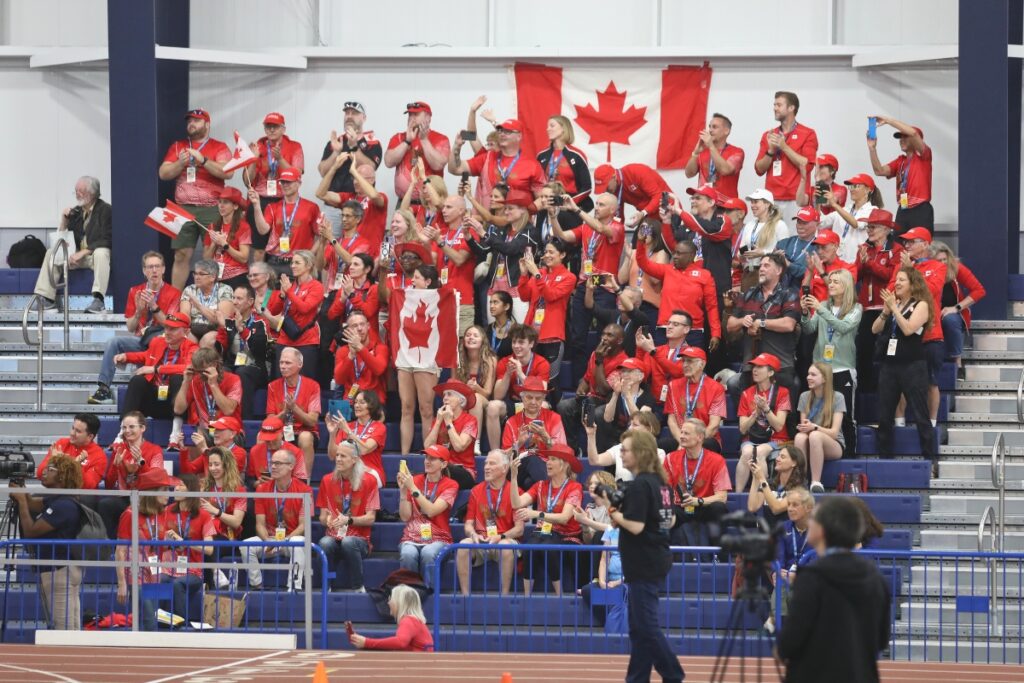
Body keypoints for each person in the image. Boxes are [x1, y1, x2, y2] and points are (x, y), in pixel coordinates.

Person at [591, 429, 684, 683]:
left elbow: (635, 526)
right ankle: (637, 678)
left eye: (625, 450)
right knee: (638, 628)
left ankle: (673, 674)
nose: (621, 453)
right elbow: (670, 520)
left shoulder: (642, 485)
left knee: (646, 627)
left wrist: (612, 510)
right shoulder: (661, 483)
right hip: (654, 559)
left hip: (644, 562)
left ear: (641, 453)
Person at [777, 496, 890, 683]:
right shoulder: (875, 579)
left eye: (813, 518)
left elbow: (789, 642)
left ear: (821, 530)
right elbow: (882, 639)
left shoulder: (812, 578)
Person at [88, 251, 181, 406]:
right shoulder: (135, 291)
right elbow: (131, 327)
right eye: (150, 267)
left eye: (157, 266)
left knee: (157, 342)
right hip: (141, 340)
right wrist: (138, 312)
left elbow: (170, 325)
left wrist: (154, 306)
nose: (154, 271)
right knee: (113, 342)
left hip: (163, 342)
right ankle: (103, 389)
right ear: (144, 271)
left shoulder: (174, 293)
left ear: (164, 269)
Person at [552, 192, 625, 382]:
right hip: (586, 283)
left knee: (606, 338)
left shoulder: (617, 227)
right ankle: (579, 382)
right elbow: (563, 235)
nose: (597, 207)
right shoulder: (586, 227)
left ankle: (602, 381)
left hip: (605, 286)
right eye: (597, 204)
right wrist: (553, 216)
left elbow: (602, 228)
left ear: (612, 209)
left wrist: (576, 209)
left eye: (601, 205)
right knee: (577, 337)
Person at [158, 108, 234, 290]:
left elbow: (228, 172)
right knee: (181, 254)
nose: (191, 124)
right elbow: (163, 173)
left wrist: (204, 161)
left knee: (210, 255)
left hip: (212, 208)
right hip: (182, 208)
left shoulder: (220, 146)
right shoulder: (178, 146)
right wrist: (180, 163)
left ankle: (208, 297)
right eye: (189, 121)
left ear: (207, 125)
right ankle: (175, 299)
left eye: (196, 121)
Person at [873, 267, 938, 475]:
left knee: (920, 413)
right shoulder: (894, 305)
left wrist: (895, 308)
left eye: (902, 280)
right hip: (889, 365)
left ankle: (930, 461)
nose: (897, 283)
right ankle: (885, 460)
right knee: (884, 415)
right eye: (897, 280)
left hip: (913, 365)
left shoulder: (922, 305)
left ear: (913, 283)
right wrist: (886, 311)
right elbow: (875, 329)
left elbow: (909, 329)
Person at [10, 456, 84, 630]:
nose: (44, 471)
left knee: (63, 628)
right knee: (71, 627)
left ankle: (67, 657)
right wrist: (24, 493)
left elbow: (30, 532)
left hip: (58, 570)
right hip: (63, 568)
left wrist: (21, 501)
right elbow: (34, 505)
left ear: (62, 476)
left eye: (51, 469)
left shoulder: (63, 504)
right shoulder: (60, 499)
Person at [801, 268, 862, 455]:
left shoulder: (855, 308)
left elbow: (843, 327)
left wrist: (820, 309)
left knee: (846, 416)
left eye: (836, 282)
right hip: (821, 369)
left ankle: (850, 455)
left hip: (843, 368)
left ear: (846, 286)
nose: (831, 284)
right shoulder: (824, 305)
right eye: (831, 281)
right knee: (818, 413)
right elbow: (809, 329)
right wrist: (805, 313)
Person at [510, 444, 584, 597]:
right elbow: (516, 503)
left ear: (564, 465)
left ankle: (559, 595)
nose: (547, 463)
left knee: (549, 547)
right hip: (544, 532)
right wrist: (513, 477)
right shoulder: (541, 485)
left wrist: (536, 514)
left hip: (566, 534)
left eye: (553, 459)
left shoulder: (574, 487)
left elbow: (564, 518)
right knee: (530, 547)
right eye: (548, 459)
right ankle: (526, 597)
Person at [726, 254, 801, 401]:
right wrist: (743, 321)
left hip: (780, 366)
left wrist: (761, 323)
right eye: (761, 266)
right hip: (751, 366)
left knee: (793, 387)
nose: (761, 269)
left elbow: (788, 324)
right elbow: (730, 324)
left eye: (767, 266)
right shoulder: (748, 294)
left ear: (779, 270)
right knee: (733, 384)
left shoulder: (789, 294)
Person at [114, 468, 182, 631]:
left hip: (155, 573)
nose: (168, 494)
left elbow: (157, 544)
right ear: (151, 492)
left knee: (149, 618)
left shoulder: (162, 514)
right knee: (148, 618)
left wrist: (173, 542)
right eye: (164, 490)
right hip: (135, 574)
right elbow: (120, 550)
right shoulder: (130, 514)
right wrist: (121, 582)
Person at [892, 227, 946, 426]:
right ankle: (899, 422)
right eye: (906, 242)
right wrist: (906, 271)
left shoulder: (937, 266)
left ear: (925, 244)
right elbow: (892, 292)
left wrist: (911, 272)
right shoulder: (902, 268)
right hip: (906, 335)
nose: (907, 245)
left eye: (912, 241)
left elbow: (930, 291)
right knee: (901, 382)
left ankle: (931, 423)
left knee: (932, 382)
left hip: (931, 335)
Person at [35, 175, 111, 313]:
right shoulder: (76, 212)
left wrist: (83, 252)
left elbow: (108, 238)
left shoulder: (106, 210)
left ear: (92, 193)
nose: (77, 194)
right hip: (76, 258)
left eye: (80, 191)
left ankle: (98, 300)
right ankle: (46, 299)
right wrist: (64, 220)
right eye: (75, 191)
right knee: (51, 252)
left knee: (101, 252)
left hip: (93, 258)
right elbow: (61, 239)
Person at [240, 448, 312, 592]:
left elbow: (304, 525)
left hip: (291, 539)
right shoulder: (262, 489)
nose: (273, 467)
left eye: (278, 463)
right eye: (272, 463)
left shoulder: (305, 490)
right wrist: (268, 540)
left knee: (297, 543)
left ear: (291, 466)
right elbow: (260, 524)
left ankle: (294, 587)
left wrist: (284, 541)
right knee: (246, 545)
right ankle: (257, 585)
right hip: (270, 539)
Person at [456, 450, 524, 595]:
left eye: (492, 463)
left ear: (505, 468)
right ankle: (465, 597)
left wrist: (500, 537)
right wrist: (473, 534)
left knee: (505, 547)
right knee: (463, 545)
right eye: (486, 463)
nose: (486, 467)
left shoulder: (516, 491)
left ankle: (504, 596)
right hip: (482, 539)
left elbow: (519, 529)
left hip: (505, 539)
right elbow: (468, 524)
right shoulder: (476, 490)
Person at [635, 235, 721, 351]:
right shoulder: (667, 270)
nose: (674, 256)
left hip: (692, 332)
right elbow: (643, 263)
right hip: (665, 329)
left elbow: (712, 307)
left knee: (691, 367)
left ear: (691, 255)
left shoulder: (705, 275)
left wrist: (716, 334)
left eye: (679, 253)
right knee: (661, 366)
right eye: (674, 253)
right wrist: (641, 243)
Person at [317, 434, 380, 592]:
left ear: (354, 460)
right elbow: (322, 517)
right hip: (334, 536)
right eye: (337, 455)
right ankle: (328, 584)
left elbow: (370, 518)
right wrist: (329, 520)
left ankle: (358, 586)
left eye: (343, 456)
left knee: (348, 542)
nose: (338, 459)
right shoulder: (327, 480)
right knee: (324, 543)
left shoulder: (369, 481)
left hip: (359, 540)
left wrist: (348, 520)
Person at [244, 112, 305, 261]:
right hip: (260, 201)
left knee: (281, 246)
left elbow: (296, 175)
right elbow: (247, 182)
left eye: (275, 127)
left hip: (282, 202)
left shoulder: (294, 146)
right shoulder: (257, 146)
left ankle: (282, 279)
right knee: (259, 249)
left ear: (283, 129)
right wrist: (253, 159)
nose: (271, 130)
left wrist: (280, 159)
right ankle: (259, 282)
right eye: (268, 127)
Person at [396, 445, 459, 588]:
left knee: (428, 552)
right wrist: (403, 491)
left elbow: (431, 511)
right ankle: (409, 595)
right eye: (426, 458)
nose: (427, 461)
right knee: (407, 554)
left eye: (433, 459)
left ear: (443, 464)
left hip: (439, 537)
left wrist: (412, 488)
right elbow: (405, 517)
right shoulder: (415, 480)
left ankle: (429, 593)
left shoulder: (451, 485)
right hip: (412, 536)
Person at [518, 239, 577, 384]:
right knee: (531, 379)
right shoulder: (540, 273)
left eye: (551, 252)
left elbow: (550, 296)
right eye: (546, 252)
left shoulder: (569, 277)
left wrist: (536, 275)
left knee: (550, 383)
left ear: (562, 254)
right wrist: (525, 275)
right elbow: (525, 296)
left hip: (551, 336)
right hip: (532, 335)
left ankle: (552, 407)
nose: (547, 255)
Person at [665, 418, 731, 547]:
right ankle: (664, 554)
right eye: (681, 432)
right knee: (663, 510)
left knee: (719, 508)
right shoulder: (670, 458)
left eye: (686, 433)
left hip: (703, 507)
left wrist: (698, 501)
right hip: (681, 507)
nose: (681, 436)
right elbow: (664, 490)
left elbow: (722, 497)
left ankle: (719, 555)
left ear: (700, 437)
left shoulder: (717, 460)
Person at [754, 91, 818, 225]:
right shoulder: (769, 135)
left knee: (794, 240)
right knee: (771, 243)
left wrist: (784, 147)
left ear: (791, 108)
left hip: (796, 200)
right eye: (774, 105)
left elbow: (807, 166)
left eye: (779, 105)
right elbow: (759, 169)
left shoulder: (808, 133)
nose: (775, 108)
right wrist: (770, 151)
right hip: (772, 199)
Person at [118, 313, 197, 420]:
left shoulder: (193, 348)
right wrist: (126, 356)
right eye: (166, 328)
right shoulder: (158, 341)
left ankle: (177, 428)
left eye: (173, 329)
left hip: (174, 403)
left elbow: (189, 367)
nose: (167, 332)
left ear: (186, 331)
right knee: (138, 380)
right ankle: (124, 426)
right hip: (155, 398)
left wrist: (156, 369)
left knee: (177, 378)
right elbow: (147, 355)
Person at [855, 210, 902, 392]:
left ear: (886, 229)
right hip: (867, 307)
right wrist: (862, 261)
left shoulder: (896, 250)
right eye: (868, 226)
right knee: (864, 349)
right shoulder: (864, 248)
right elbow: (856, 276)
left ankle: (887, 388)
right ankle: (866, 389)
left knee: (885, 350)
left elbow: (892, 276)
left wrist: (870, 264)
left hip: (887, 307)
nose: (869, 230)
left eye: (873, 227)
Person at [98, 412, 165, 538]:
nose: (127, 431)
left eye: (131, 427)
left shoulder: (155, 450)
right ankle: (109, 549)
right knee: (105, 505)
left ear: (142, 428)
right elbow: (109, 485)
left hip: (146, 498)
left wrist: (141, 461)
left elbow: (157, 480)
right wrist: (115, 466)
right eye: (124, 428)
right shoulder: (119, 449)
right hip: (125, 497)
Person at [450, 117, 544, 206]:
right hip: (488, 220)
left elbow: (542, 198)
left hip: (518, 222)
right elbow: (455, 169)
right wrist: (456, 147)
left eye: (507, 131)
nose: (502, 134)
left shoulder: (532, 165)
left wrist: (527, 211)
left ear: (519, 136)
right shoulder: (486, 158)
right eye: (500, 131)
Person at [486, 324, 551, 451]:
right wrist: (508, 374)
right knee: (492, 406)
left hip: (532, 402)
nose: (516, 346)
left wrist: (520, 374)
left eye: (521, 342)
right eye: (514, 342)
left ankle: (535, 448)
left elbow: (541, 392)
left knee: (543, 405)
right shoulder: (505, 362)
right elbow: (498, 395)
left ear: (531, 344)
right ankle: (496, 452)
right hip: (513, 402)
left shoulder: (541, 363)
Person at [158, 474, 214, 623]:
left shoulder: (203, 515)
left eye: (181, 485)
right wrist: (168, 541)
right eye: (175, 485)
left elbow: (209, 549)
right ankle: (153, 622)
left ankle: (180, 625)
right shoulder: (166, 511)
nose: (176, 488)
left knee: (177, 584)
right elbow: (157, 542)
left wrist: (185, 542)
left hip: (193, 571)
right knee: (157, 580)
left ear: (191, 490)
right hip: (168, 568)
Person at [556, 324, 627, 439]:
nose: (604, 338)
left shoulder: (624, 361)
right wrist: (581, 390)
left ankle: (599, 452)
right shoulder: (595, 354)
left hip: (609, 405)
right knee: (563, 406)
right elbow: (587, 378)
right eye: (603, 334)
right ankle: (573, 448)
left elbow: (604, 390)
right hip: (591, 401)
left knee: (597, 414)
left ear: (619, 341)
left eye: (610, 335)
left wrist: (599, 361)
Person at [734, 353, 792, 493]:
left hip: (777, 439)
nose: (754, 370)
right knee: (747, 452)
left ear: (771, 372)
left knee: (759, 452)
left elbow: (778, 426)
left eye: (760, 367)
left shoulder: (783, 392)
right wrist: (755, 413)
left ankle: (764, 496)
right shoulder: (747, 394)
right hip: (752, 438)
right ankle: (738, 495)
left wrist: (766, 409)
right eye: (754, 366)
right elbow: (742, 429)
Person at [317, 100, 383, 223]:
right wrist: (336, 152)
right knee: (329, 241)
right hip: (333, 204)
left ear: (364, 118)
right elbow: (322, 171)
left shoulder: (372, 142)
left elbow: (370, 168)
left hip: (358, 208)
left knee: (355, 242)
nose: (350, 116)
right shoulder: (336, 141)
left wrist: (354, 147)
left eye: (354, 113)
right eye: (347, 113)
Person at [249, 168, 324, 275]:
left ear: (299, 183)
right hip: (275, 261)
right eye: (282, 182)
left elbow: (321, 235)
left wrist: (309, 255)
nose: (285, 185)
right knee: (273, 292)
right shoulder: (273, 207)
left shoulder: (311, 207)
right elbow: (263, 230)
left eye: (289, 182)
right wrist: (256, 205)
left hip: (299, 263)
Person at [500, 376, 567, 490]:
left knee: (529, 483)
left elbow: (562, 453)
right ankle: (553, 492)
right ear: (522, 398)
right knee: (531, 458)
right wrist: (519, 442)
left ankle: (542, 497)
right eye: (529, 397)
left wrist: (545, 436)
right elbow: (504, 457)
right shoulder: (511, 422)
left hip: (546, 467)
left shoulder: (554, 418)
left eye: (538, 398)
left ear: (543, 400)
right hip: (517, 468)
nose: (533, 402)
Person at [868, 116, 933, 234]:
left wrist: (888, 121)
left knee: (919, 244)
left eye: (905, 137)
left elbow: (913, 133)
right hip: (903, 208)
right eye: (900, 138)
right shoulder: (900, 161)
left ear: (916, 140)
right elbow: (879, 171)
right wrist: (872, 148)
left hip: (920, 209)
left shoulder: (924, 156)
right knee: (898, 246)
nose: (901, 140)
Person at [932, 241, 986, 378]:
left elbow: (979, 290)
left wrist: (956, 308)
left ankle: (958, 363)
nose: (943, 263)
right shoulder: (925, 271)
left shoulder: (956, 268)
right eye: (939, 260)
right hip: (931, 312)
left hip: (953, 312)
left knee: (950, 320)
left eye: (945, 259)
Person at [265, 347, 321, 478]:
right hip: (281, 431)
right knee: (263, 436)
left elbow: (312, 421)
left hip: (305, 431)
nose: (283, 366)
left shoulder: (313, 386)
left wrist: (294, 408)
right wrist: (285, 412)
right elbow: (270, 422)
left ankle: (303, 482)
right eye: (281, 362)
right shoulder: (273, 386)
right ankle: (267, 479)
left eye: (287, 363)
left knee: (305, 437)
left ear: (300, 364)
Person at [170, 347, 242, 447]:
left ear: (214, 365)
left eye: (203, 371)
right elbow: (178, 410)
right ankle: (200, 462)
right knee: (192, 436)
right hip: (205, 429)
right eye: (197, 371)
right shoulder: (195, 380)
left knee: (223, 435)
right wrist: (185, 382)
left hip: (229, 429)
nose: (200, 375)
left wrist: (213, 385)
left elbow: (228, 410)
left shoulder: (233, 379)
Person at [198, 446, 247, 588]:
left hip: (226, 536)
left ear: (226, 465)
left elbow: (236, 522)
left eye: (217, 464)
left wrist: (216, 512)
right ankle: (214, 577)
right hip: (205, 533)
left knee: (208, 548)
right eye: (211, 464)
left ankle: (211, 583)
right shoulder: (204, 488)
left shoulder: (239, 490)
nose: (213, 468)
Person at [794, 363, 847, 493]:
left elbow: (834, 433)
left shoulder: (838, 397)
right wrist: (805, 428)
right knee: (799, 437)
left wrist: (815, 427)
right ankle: (801, 481)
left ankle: (815, 482)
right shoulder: (804, 396)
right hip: (811, 440)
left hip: (833, 444)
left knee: (815, 435)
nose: (808, 377)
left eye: (813, 375)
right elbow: (804, 428)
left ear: (824, 379)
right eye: (808, 374)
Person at [272, 249, 325, 379]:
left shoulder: (316, 286)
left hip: (306, 341)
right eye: (292, 262)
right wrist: (282, 295)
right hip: (285, 338)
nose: (292, 265)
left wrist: (289, 292)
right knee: (280, 380)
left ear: (308, 265)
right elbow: (274, 311)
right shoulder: (291, 286)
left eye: (297, 262)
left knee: (304, 382)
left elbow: (305, 308)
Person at [663, 347, 727, 453]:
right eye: (683, 361)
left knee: (708, 445)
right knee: (660, 446)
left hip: (705, 438)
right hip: (681, 437)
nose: (685, 365)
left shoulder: (716, 388)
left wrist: (694, 442)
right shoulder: (673, 386)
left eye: (690, 361)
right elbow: (672, 420)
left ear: (702, 364)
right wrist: (683, 441)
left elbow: (714, 425)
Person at [224, 283, 272, 419]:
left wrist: (242, 330)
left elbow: (259, 349)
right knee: (222, 372)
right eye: (233, 298)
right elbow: (222, 348)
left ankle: (243, 419)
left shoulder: (260, 322)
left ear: (250, 301)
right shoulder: (229, 321)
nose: (234, 302)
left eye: (239, 298)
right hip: (233, 364)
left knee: (242, 372)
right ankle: (220, 418)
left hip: (255, 366)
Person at [384, 101, 450, 201]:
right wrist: (407, 141)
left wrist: (423, 140)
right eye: (410, 114)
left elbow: (438, 165)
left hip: (430, 202)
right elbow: (388, 162)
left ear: (428, 117)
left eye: (416, 114)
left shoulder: (441, 139)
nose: (412, 117)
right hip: (404, 203)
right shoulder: (398, 137)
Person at [423, 380, 480, 489]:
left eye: (449, 394)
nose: (445, 398)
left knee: (440, 469)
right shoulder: (438, 419)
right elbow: (428, 447)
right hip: (440, 468)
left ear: (460, 399)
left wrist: (448, 422)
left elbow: (459, 447)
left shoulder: (470, 420)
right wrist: (439, 421)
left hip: (464, 471)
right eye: (444, 395)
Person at [595, 357, 657, 453]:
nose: (625, 375)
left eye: (629, 371)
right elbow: (607, 418)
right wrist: (615, 394)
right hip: (617, 437)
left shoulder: (648, 397)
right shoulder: (616, 392)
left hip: (638, 438)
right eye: (623, 371)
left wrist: (627, 395)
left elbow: (641, 421)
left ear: (640, 376)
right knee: (609, 444)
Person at [635, 310, 691, 413]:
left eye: (675, 324)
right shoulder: (656, 350)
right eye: (668, 323)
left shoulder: (691, 353)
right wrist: (640, 350)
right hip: (657, 404)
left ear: (686, 329)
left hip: (679, 405)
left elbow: (677, 371)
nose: (669, 327)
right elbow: (641, 375)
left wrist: (652, 352)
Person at [349, 584, 435, 652]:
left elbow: (400, 642)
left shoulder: (408, 620)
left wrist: (367, 642)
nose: (389, 602)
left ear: (399, 602)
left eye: (391, 599)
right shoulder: (414, 620)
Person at [733, 188, 789, 291]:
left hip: (769, 274)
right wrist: (743, 254)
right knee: (748, 306)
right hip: (749, 273)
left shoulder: (779, 225)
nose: (752, 205)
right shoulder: (750, 225)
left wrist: (763, 253)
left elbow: (784, 254)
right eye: (751, 202)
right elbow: (741, 249)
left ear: (767, 204)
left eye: (756, 202)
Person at [585, 409, 664, 482]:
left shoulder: (659, 453)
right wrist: (591, 434)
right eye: (630, 424)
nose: (630, 428)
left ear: (649, 429)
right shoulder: (620, 448)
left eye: (635, 425)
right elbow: (594, 460)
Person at [820, 173, 883, 263]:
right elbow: (820, 223)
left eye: (856, 186)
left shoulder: (873, 210)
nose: (851, 190)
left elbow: (856, 224)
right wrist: (817, 202)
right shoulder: (845, 210)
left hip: (855, 262)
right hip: (837, 261)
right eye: (851, 186)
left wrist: (834, 204)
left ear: (868, 189)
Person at [452, 324, 497, 449]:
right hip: (462, 398)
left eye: (475, 335)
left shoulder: (490, 360)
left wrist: (476, 387)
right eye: (468, 335)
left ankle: (474, 442)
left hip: (482, 399)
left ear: (482, 340)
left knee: (475, 398)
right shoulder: (458, 359)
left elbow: (488, 392)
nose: (471, 338)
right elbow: (453, 387)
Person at [34, 414, 107, 489]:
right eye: (73, 428)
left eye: (78, 431)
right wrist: (54, 461)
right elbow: (40, 474)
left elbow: (88, 486)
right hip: (55, 492)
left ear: (90, 437)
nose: (72, 433)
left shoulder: (99, 456)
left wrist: (75, 466)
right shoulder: (61, 444)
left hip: (80, 497)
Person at [332, 309, 388, 405]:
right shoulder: (343, 351)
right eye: (354, 326)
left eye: (362, 324)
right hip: (351, 401)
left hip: (374, 402)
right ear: (348, 329)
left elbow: (379, 370)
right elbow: (339, 379)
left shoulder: (380, 348)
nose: (359, 328)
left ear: (368, 326)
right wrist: (351, 356)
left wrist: (360, 348)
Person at [746, 444, 809, 528]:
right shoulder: (770, 483)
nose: (777, 459)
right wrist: (755, 476)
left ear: (794, 463)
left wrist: (762, 479)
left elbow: (776, 508)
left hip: (786, 535)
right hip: (768, 536)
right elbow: (752, 507)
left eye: (782, 457)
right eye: (778, 456)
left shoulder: (800, 487)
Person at [536, 114, 592, 208]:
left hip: (568, 206)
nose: (547, 129)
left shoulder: (576, 155)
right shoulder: (542, 155)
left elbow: (586, 187)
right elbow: (536, 184)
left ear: (563, 129)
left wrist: (569, 202)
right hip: (546, 204)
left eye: (552, 126)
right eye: (547, 126)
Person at [591, 163, 672, 226]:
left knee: (669, 244)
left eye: (606, 186)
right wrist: (619, 230)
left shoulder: (636, 171)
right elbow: (618, 214)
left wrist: (643, 213)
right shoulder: (614, 189)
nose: (606, 191)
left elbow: (659, 196)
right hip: (649, 218)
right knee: (639, 243)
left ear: (614, 177)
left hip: (669, 212)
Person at [685, 113, 744, 198]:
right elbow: (689, 174)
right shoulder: (703, 151)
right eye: (710, 127)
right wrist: (695, 153)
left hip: (726, 206)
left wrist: (711, 146)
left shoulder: (737, 152)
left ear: (726, 131)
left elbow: (725, 170)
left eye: (715, 127)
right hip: (704, 203)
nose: (710, 130)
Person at [202, 187, 252, 289]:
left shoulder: (243, 227)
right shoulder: (212, 226)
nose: (221, 206)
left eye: (225, 202)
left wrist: (224, 244)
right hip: (216, 278)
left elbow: (244, 258)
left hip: (237, 277)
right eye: (219, 202)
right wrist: (214, 243)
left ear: (235, 206)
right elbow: (206, 259)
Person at [179, 259, 234, 346]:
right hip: (193, 328)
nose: (196, 277)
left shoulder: (225, 290)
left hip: (215, 330)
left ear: (212, 277)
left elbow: (221, 320)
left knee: (208, 340)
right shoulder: (190, 289)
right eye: (195, 273)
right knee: (185, 339)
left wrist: (199, 306)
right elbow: (184, 314)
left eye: (201, 274)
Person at [178, 415, 247, 477]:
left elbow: (220, 475)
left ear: (232, 434)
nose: (215, 432)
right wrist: (184, 449)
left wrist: (205, 450)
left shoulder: (240, 453)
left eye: (220, 429)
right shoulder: (211, 450)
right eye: (214, 429)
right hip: (212, 490)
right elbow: (188, 471)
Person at [247, 415, 308, 485]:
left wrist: (281, 482)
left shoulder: (295, 452)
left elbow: (302, 482)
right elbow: (250, 479)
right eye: (267, 439)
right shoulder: (255, 451)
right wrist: (257, 483)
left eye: (273, 438)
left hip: (288, 493)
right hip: (264, 493)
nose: (270, 442)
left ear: (282, 433)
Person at [774, 205, 820, 289]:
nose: (800, 226)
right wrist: (774, 260)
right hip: (779, 293)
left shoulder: (819, 247)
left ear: (817, 224)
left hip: (803, 293)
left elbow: (814, 274)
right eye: (799, 222)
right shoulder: (783, 243)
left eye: (805, 223)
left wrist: (788, 265)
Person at [485, 291, 515, 358]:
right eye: (491, 303)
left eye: (495, 302)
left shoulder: (516, 330)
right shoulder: (487, 329)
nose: (491, 306)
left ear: (506, 306)